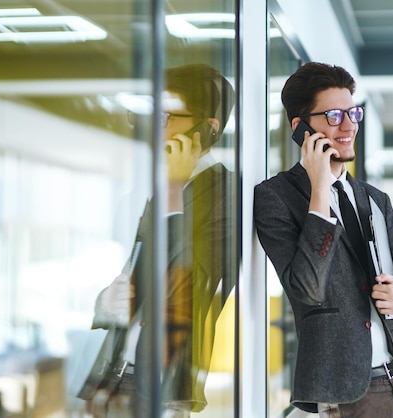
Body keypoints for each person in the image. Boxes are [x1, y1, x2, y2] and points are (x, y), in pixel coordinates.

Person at [253, 62, 393, 417]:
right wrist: (320, 189)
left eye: (353, 113)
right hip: (352, 392)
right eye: (334, 115)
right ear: (301, 128)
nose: (349, 125)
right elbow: (306, 288)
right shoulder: (276, 197)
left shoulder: (375, 199)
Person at [88, 63, 235, 417]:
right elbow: (131, 276)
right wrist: (106, 303)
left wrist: (172, 193)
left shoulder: (230, 194)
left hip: (165, 388)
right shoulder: (142, 191)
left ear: (207, 127)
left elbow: (187, 287)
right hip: (112, 380)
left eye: (167, 116)